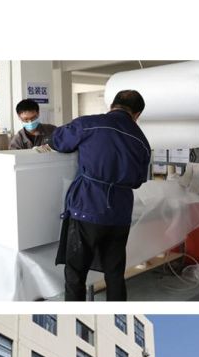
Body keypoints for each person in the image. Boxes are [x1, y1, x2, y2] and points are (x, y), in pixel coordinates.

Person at [48, 90, 151, 301]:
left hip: (87, 208)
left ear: (112, 105)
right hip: (119, 214)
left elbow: (58, 141)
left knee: (76, 273)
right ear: (137, 114)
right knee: (114, 273)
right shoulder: (142, 141)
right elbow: (138, 181)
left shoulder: (89, 124)